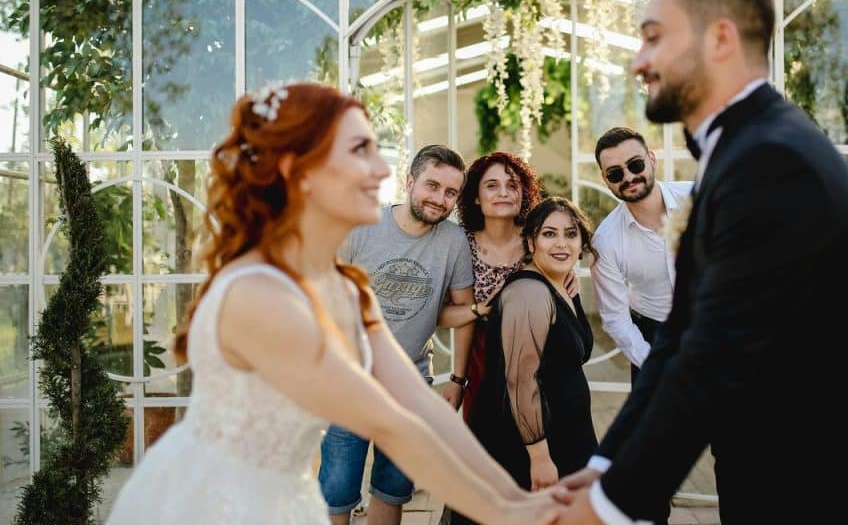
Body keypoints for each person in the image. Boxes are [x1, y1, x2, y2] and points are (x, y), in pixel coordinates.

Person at [556, 0, 848, 524]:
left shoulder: (772, 159)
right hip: (771, 476)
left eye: (652, 37)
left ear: (720, 38)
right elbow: (677, 339)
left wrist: (607, 508)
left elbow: (714, 350)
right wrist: (600, 472)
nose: (639, 61)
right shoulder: (737, 156)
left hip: (846, 491)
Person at [105, 83, 562, 525]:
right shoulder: (258, 292)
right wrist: (513, 511)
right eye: (359, 151)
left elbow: (419, 411)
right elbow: (392, 424)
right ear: (302, 171)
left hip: (287, 500)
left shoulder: (348, 289)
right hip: (219, 506)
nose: (382, 171)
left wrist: (518, 498)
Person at [318, 144, 476, 525]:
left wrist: (458, 377)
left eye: (450, 192)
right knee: (336, 491)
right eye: (432, 186)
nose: (440, 199)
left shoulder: (454, 242)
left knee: (392, 487)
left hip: (410, 384)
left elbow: (459, 313)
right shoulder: (361, 226)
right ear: (409, 181)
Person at [452, 197, 599, 525]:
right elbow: (520, 381)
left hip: (567, 438)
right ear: (531, 242)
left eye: (570, 234)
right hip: (528, 448)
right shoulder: (528, 294)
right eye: (549, 234)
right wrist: (540, 457)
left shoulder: (561, 285)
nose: (561, 243)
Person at [439, 151, 542, 419]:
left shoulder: (539, 242)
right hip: (482, 363)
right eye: (492, 185)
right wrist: (458, 379)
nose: (503, 193)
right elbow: (444, 316)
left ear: (524, 194)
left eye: (512, 185)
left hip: (537, 363)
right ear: (475, 196)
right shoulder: (461, 244)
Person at [590, 126, 693, 382]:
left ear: (651, 159)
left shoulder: (697, 198)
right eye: (615, 173)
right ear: (605, 179)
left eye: (635, 165)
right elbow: (616, 318)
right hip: (654, 339)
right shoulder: (606, 241)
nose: (628, 177)